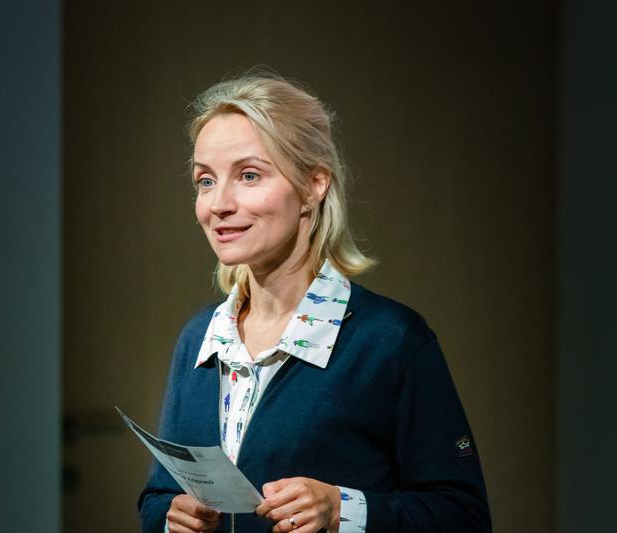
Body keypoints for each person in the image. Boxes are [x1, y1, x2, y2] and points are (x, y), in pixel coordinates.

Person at [138, 72, 491, 533]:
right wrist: (170, 518)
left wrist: (341, 509)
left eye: (249, 175)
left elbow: (463, 517)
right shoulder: (200, 338)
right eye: (205, 181)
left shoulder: (390, 341)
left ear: (314, 185)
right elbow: (158, 496)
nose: (218, 203)